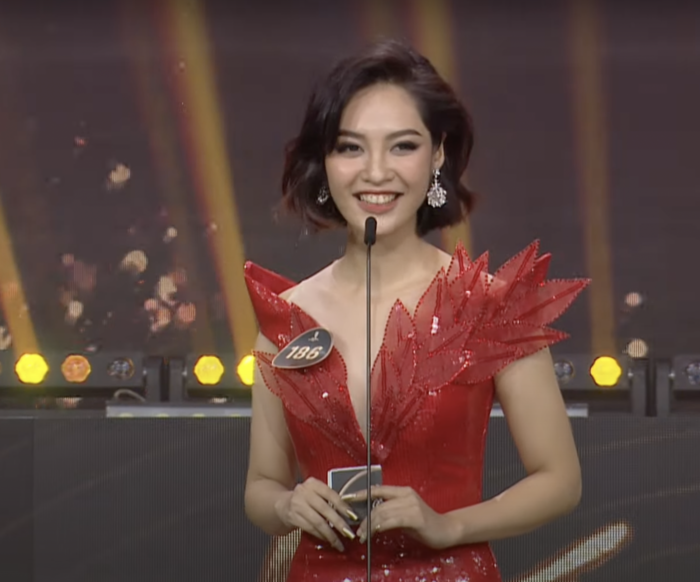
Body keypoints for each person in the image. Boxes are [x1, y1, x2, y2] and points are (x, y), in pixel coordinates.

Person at [243, 38, 588, 582]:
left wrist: (449, 526)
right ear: (324, 162)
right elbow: (261, 487)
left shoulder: (489, 306)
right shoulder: (286, 320)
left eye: (402, 146)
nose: (376, 172)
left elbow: (560, 480)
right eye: (350, 148)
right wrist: (287, 506)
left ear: (438, 154)